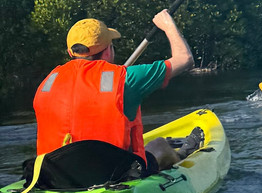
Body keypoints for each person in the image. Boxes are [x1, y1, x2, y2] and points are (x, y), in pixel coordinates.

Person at [34, 10, 199, 175]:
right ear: (107, 51)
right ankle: (181, 160)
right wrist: (168, 25)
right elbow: (185, 59)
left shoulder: (47, 83)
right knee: (159, 145)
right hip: (112, 175)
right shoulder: (126, 79)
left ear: (71, 53)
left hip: (55, 176)